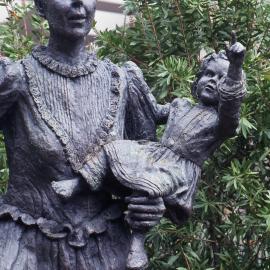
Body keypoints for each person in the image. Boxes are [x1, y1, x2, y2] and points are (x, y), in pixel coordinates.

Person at [0, 0, 170, 269]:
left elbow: (143, 173)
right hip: (27, 251)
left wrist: (147, 204)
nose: (79, 4)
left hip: (106, 251)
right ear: (41, 7)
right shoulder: (14, 79)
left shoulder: (122, 80)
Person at [53, 34, 246, 269]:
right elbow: (152, 112)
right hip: (155, 155)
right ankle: (80, 182)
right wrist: (136, 79)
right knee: (114, 149)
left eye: (221, 79)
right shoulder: (180, 105)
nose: (213, 81)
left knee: (149, 191)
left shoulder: (221, 123)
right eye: (209, 74)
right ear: (197, 80)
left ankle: (137, 241)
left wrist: (235, 68)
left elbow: (231, 107)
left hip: (178, 171)